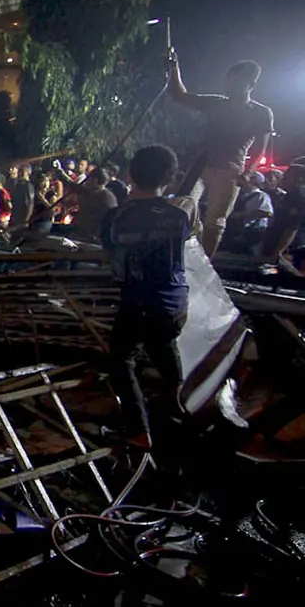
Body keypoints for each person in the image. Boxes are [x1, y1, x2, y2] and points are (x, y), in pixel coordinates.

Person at [99, 145, 196, 451]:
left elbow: (112, 256)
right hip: (176, 303)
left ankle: (138, 429)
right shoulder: (180, 215)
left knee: (120, 361)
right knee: (163, 344)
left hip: (140, 304)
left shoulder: (116, 217)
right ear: (169, 177)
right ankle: (175, 400)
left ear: (130, 174)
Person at [168, 54, 274, 257]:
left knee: (216, 221)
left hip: (230, 170)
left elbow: (261, 147)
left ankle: (206, 263)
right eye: (228, 80)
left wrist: (248, 173)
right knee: (182, 206)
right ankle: (186, 244)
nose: (229, 85)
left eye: (235, 81)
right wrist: (174, 69)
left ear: (250, 84)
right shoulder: (217, 103)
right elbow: (180, 95)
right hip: (203, 163)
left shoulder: (261, 112)